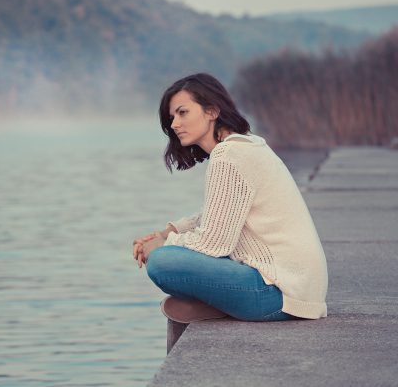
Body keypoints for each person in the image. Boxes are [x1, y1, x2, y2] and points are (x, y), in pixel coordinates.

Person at [132, 73, 328, 324]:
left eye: (183, 113)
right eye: (172, 118)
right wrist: (166, 232)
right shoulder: (247, 145)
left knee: (162, 262)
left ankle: (219, 303)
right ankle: (219, 304)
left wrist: (161, 245)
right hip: (299, 289)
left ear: (212, 111)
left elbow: (214, 243)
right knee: (173, 252)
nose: (174, 125)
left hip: (278, 292)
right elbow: (220, 213)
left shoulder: (229, 155)